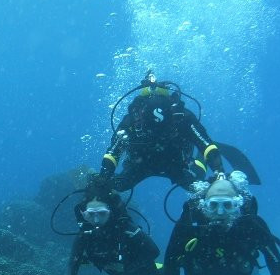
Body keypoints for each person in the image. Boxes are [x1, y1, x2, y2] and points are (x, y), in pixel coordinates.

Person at [164, 179, 280, 275]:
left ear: (237, 204)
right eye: (213, 205)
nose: (220, 212)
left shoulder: (251, 223)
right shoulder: (190, 223)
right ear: (203, 205)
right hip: (205, 271)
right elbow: (171, 258)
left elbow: (272, 254)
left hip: (238, 269)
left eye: (227, 205)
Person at [92, 72, 226, 195]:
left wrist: (219, 173)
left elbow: (113, 152)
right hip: (159, 164)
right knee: (201, 188)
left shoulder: (179, 117)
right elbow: (205, 144)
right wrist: (219, 171)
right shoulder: (181, 117)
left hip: (165, 164)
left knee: (201, 189)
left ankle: (201, 162)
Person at [58, 190, 164, 275]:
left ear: (111, 211)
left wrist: (127, 267)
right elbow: (72, 263)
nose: (96, 220)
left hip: (136, 261)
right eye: (91, 214)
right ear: (83, 214)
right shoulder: (84, 234)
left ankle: (162, 266)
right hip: (115, 267)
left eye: (102, 213)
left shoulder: (126, 227)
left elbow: (154, 251)